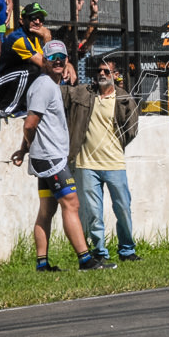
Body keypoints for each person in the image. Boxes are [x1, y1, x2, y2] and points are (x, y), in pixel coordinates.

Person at [10, 40, 114, 272]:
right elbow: (29, 125)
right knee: (72, 204)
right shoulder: (46, 85)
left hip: (45, 157)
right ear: (44, 62)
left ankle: (42, 263)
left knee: (47, 210)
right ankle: (86, 260)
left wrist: (25, 150)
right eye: (53, 58)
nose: (58, 61)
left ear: (67, 61)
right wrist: (31, 148)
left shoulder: (47, 85)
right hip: (51, 159)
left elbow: (35, 125)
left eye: (62, 57)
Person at [63, 58, 140, 262]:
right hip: (86, 164)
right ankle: (99, 252)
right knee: (93, 213)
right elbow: (61, 94)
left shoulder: (123, 98)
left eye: (107, 71)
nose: (102, 74)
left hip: (115, 163)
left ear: (115, 75)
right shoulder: (83, 94)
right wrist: (67, 65)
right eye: (99, 71)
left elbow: (132, 129)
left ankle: (127, 250)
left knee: (123, 208)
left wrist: (116, 146)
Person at [0, 2, 74, 116]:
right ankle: (8, 109)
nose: (37, 22)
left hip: (12, 83)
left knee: (47, 73)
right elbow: (46, 65)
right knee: (32, 70)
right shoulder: (18, 39)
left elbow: (48, 61)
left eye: (41, 19)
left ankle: (26, 107)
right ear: (22, 21)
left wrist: (68, 65)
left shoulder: (34, 39)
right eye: (33, 18)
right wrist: (47, 37)